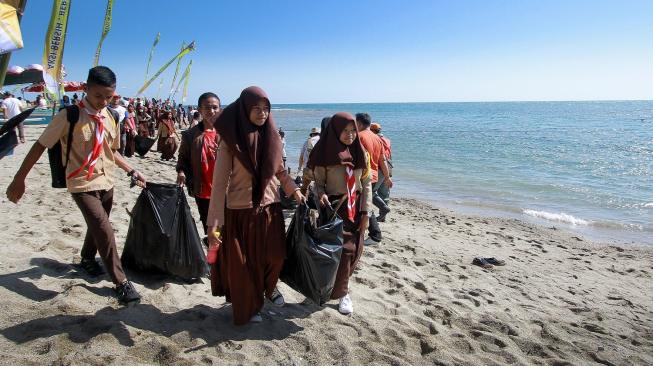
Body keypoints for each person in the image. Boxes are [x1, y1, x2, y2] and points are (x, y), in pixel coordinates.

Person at [5, 66, 145, 305]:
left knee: (97, 225)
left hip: (107, 180)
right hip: (80, 182)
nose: (102, 101)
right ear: (86, 89)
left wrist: (132, 169)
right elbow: (39, 145)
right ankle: (121, 282)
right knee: (104, 228)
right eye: (98, 95)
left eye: (108, 97)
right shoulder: (68, 116)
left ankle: (87, 258)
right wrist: (19, 179)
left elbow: (111, 151)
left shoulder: (111, 116)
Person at [206, 86, 305, 325]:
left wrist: (295, 189)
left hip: (271, 208)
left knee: (276, 257)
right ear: (244, 110)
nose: (262, 113)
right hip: (240, 211)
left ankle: (268, 289)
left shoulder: (273, 138)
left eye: (266, 109)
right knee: (244, 265)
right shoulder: (230, 142)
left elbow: (279, 170)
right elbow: (219, 185)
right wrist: (214, 224)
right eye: (256, 109)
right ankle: (250, 306)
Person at [308, 112, 371, 315]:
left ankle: (338, 286)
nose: (350, 135)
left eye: (353, 130)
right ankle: (343, 293)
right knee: (342, 251)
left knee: (355, 250)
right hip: (335, 208)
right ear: (335, 131)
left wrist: (366, 212)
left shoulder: (361, 153)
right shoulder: (323, 153)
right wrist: (322, 195)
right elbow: (318, 183)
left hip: (357, 207)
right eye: (345, 131)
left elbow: (366, 183)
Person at [176, 92, 221, 237]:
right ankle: (213, 256)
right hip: (202, 190)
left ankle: (223, 256)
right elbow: (182, 159)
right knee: (210, 226)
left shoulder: (227, 133)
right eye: (207, 108)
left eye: (215, 107)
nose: (212, 111)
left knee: (226, 226)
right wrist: (181, 172)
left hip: (225, 190)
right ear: (200, 110)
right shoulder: (190, 135)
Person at [356, 113, 393, 244]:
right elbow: (383, 159)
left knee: (364, 205)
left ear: (359, 123)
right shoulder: (377, 138)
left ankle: (375, 235)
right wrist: (387, 177)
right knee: (365, 203)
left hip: (363, 176)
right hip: (374, 176)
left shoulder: (359, 136)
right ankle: (370, 234)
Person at [371, 122, 392, 205]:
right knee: (385, 194)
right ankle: (383, 216)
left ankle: (384, 209)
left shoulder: (374, 140)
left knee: (370, 192)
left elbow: (379, 158)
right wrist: (388, 175)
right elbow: (389, 156)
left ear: (371, 130)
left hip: (379, 169)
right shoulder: (387, 140)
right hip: (388, 167)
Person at [297, 126, 321, 195]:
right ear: (319, 134)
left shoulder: (307, 141)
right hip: (319, 170)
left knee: (304, 187)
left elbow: (301, 157)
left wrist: (299, 168)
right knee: (320, 188)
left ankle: (303, 202)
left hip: (307, 169)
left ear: (312, 134)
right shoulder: (322, 140)